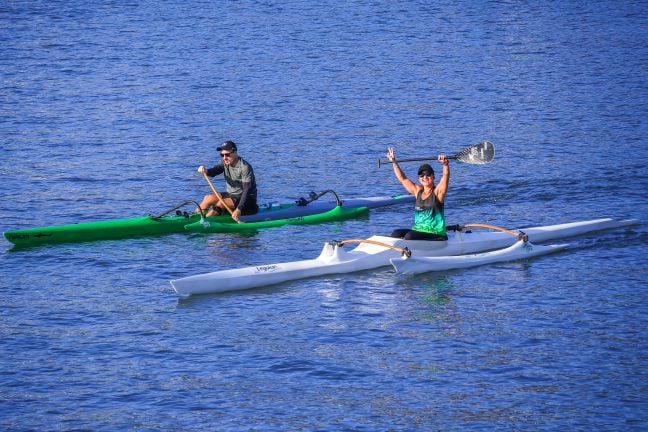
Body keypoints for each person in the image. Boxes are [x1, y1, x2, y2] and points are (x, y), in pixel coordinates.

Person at [387, 146, 450, 240]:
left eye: (428, 174)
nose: (425, 177)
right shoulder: (417, 191)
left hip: (436, 234)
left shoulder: (438, 192)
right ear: (419, 178)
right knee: (396, 233)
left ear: (433, 177)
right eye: (422, 175)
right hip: (418, 230)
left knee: (409, 236)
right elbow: (403, 179)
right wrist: (394, 162)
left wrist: (445, 165)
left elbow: (445, 176)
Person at [196, 140, 258, 221]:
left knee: (221, 203)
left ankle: (205, 221)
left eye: (227, 155)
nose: (224, 158)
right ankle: (195, 217)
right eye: (222, 155)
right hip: (232, 195)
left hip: (247, 200)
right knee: (208, 198)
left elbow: (247, 190)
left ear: (235, 152)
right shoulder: (224, 163)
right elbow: (215, 170)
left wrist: (239, 209)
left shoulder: (245, 167)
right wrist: (206, 171)